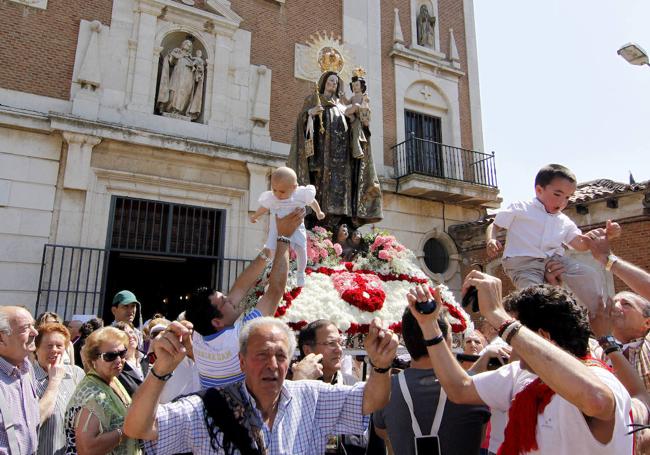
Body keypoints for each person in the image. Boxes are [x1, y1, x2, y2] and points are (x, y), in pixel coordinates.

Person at [407, 274, 633, 454]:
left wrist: (498, 316)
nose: (510, 348)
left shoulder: (600, 379)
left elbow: (596, 400)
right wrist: (429, 326)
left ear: (543, 338)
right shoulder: (522, 375)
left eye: (514, 337)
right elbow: (459, 389)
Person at [123, 316, 398, 455]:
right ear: (241, 362)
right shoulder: (207, 408)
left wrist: (382, 365)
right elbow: (138, 428)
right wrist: (160, 371)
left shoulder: (311, 397)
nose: (272, 364)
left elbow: (370, 401)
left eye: (280, 356)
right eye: (262, 355)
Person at [186, 208, 304, 388]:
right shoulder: (242, 336)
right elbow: (275, 291)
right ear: (217, 322)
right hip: (242, 412)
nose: (230, 299)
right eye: (224, 301)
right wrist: (284, 237)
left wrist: (269, 250)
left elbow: (240, 287)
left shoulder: (200, 337)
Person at [486, 163, 621, 315]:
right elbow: (495, 224)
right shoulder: (520, 208)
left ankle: (598, 312)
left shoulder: (563, 221)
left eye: (567, 198)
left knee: (588, 273)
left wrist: (605, 235)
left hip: (553, 260)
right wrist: (491, 239)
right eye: (557, 194)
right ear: (539, 190)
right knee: (534, 295)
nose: (562, 202)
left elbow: (580, 244)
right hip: (523, 264)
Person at [373, 309, 490, 455]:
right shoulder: (476, 386)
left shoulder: (385, 390)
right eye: (451, 334)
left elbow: (384, 433)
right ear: (443, 340)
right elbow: (481, 435)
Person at [288, 71, 382, 228]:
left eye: (336, 82)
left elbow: (354, 123)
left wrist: (359, 122)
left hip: (342, 157)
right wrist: (311, 113)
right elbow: (301, 121)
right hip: (320, 155)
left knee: (341, 189)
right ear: (324, 82)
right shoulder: (314, 99)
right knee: (321, 185)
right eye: (331, 80)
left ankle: (339, 223)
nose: (333, 84)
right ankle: (319, 220)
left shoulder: (341, 104)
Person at [65, 327, 142, 454]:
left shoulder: (111, 378)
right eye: (110, 356)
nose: (118, 360)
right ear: (93, 359)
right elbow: (87, 448)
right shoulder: (93, 394)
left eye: (122, 353)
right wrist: (127, 430)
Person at [250, 166, 325, 286]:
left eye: (282, 191)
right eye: (274, 190)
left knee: (301, 250)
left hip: (296, 227)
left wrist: (318, 211)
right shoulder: (272, 197)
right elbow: (264, 207)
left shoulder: (301, 194)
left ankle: (301, 272)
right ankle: (272, 271)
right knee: (272, 250)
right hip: (277, 228)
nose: (277, 194)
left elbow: (312, 201)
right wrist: (255, 216)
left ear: (294, 187)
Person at [33, 322, 85, 455]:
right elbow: (33, 421)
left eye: (59, 346)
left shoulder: (76, 374)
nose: (55, 350)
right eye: (49, 346)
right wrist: (54, 380)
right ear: (36, 348)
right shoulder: (28, 378)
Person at [0, 306, 40, 455]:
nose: (35, 332)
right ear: (1, 338)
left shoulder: (27, 369)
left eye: (33, 326)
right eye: (25, 328)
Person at [157, 39, 205, 119]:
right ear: (182, 44)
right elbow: (170, 61)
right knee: (173, 90)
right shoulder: (177, 52)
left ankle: (179, 111)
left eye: (189, 44)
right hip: (177, 75)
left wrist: (196, 68)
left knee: (184, 93)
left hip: (188, 78)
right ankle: (169, 109)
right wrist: (171, 55)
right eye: (186, 43)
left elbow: (198, 71)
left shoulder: (191, 58)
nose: (188, 45)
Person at [113, 321, 146, 397]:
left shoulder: (146, 359)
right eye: (125, 334)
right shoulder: (117, 366)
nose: (130, 336)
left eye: (131, 332)